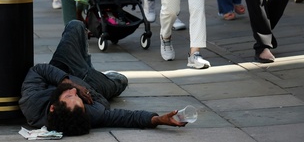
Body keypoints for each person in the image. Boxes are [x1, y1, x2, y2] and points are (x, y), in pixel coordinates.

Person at [20, 20, 187, 136]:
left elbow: (38, 70)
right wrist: (157, 119)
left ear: (52, 107)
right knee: (121, 80)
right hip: (91, 83)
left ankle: (85, 63)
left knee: (75, 25)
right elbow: (125, 117)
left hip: (62, 69)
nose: (73, 92)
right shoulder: (93, 113)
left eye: (69, 96)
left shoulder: (32, 105)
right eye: (77, 98)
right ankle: (94, 71)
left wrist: (69, 83)